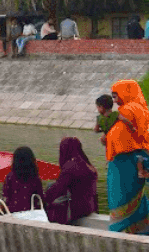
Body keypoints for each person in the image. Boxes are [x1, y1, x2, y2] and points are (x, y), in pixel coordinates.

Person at [103, 79, 149, 233]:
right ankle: (141, 229)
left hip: (124, 163)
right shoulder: (140, 108)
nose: (115, 101)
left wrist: (107, 138)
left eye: (116, 96)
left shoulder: (128, 110)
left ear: (126, 93)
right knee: (137, 199)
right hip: (134, 160)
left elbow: (119, 137)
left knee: (120, 198)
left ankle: (123, 234)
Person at [44, 137, 99, 224]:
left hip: (77, 210)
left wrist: (43, 199)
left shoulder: (70, 168)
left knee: (50, 188)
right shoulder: (88, 166)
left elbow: (57, 190)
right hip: (90, 207)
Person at [2, 146, 44, 212]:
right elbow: (40, 199)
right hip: (32, 215)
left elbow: (5, 198)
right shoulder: (35, 179)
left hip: (12, 215)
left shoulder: (10, 177)